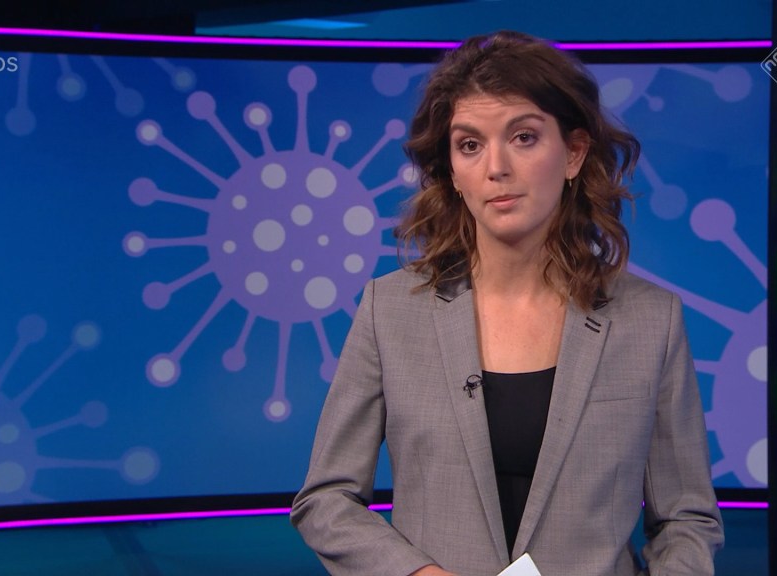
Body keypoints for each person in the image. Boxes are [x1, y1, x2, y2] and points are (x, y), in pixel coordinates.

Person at [291, 30, 724, 576]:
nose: (496, 166)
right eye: (470, 145)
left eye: (523, 137)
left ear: (573, 153)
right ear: (453, 171)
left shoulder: (650, 321)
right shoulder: (390, 310)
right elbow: (326, 499)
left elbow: (686, 519)